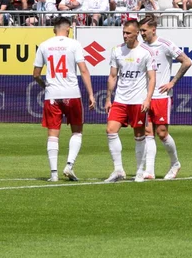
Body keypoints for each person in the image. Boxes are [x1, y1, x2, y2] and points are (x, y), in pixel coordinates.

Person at [33, 16, 96, 182]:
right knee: (77, 131)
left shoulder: (44, 45)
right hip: (72, 93)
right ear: (68, 29)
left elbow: (36, 74)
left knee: (53, 134)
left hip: (52, 95)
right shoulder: (74, 44)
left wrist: (44, 85)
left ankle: (53, 174)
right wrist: (90, 93)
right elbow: (83, 70)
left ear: (54, 29)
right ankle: (69, 164)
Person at [139, 16, 192, 180]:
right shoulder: (140, 48)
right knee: (148, 132)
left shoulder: (165, 44)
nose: (142, 34)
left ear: (153, 29)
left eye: (144, 30)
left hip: (161, 96)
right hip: (145, 97)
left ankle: (175, 163)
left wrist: (172, 82)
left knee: (162, 133)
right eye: (140, 31)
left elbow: (187, 62)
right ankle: (149, 171)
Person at [104, 20, 157, 184]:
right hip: (120, 99)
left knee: (139, 135)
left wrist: (148, 98)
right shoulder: (117, 50)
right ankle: (118, 169)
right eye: (124, 32)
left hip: (138, 100)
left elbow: (152, 78)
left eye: (128, 33)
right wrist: (108, 98)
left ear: (136, 34)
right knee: (110, 130)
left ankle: (140, 171)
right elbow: (113, 75)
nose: (125, 35)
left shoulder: (146, 52)